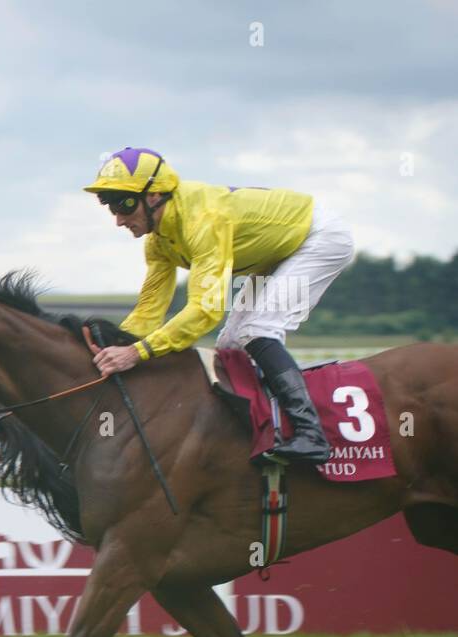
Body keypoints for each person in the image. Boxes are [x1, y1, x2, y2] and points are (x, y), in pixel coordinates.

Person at [83, 147, 355, 463]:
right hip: (278, 250)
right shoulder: (159, 242)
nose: (118, 219)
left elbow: (206, 311)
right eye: (109, 205)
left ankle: (312, 435)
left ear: (155, 195)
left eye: (124, 203)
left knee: (258, 330)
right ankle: (263, 429)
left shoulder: (202, 220)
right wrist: (113, 346)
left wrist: (136, 353)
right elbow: (149, 310)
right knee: (231, 346)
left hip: (318, 237)